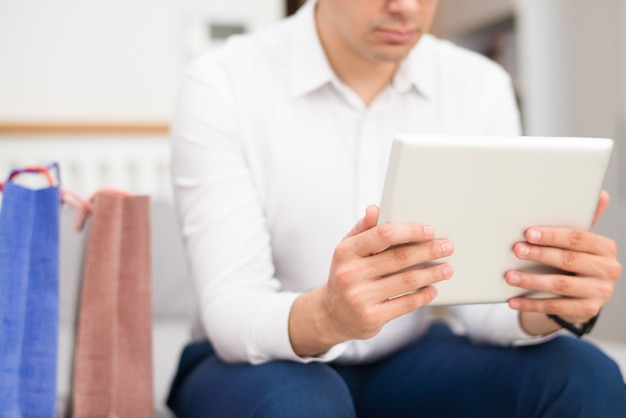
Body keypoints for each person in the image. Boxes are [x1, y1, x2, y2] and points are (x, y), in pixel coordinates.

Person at [166, 0, 626, 416]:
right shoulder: (222, 82)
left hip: (403, 358)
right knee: (301, 408)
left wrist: (552, 296)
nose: (406, 7)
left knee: (585, 376)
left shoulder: (478, 85)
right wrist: (327, 316)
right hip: (255, 361)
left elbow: (487, 309)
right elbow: (231, 308)